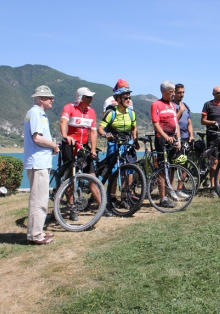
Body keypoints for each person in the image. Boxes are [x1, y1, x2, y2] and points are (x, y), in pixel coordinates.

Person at [59, 87, 108, 219]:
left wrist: (92, 150)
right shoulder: (69, 107)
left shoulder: (91, 112)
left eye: (91, 97)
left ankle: (102, 207)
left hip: (83, 147)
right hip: (69, 145)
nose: (91, 99)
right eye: (88, 97)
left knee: (92, 176)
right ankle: (72, 208)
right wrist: (65, 136)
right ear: (80, 98)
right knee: (71, 177)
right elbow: (63, 121)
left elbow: (93, 132)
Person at [24, 85, 60, 244]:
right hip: (37, 163)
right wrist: (53, 145)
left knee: (41, 198)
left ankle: (38, 231)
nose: (52, 100)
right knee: (38, 200)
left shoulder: (39, 114)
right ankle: (35, 235)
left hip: (40, 162)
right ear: (40, 99)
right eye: (48, 97)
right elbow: (37, 138)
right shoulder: (35, 113)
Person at [98, 82, 139, 209]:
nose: (128, 100)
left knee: (128, 169)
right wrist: (106, 135)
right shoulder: (112, 113)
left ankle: (125, 196)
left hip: (127, 143)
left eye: (129, 98)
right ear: (118, 99)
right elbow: (100, 128)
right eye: (125, 98)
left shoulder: (131, 113)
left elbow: (134, 127)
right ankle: (111, 198)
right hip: (114, 143)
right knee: (114, 171)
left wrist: (135, 140)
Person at [151, 80, 187, 208]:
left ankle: (169, 191)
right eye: (171, 91)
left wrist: (178, 139)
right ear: (163, 92)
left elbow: (175, 122)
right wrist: (165, 137)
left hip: (172, 138)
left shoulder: (172, 105)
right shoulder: (156, 104)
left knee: (171, 166)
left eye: (173, 91)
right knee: (162, 168)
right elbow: (155, 124)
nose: (173, 94)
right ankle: (162, 198)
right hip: (161, 138)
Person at [201, 86, 220, 195]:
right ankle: (212, 186)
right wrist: (214, 123)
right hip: (212, 136)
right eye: (219, 93)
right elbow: (203, 121)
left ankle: (218, 185)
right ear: (213, 93)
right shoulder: (208, 105)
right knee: (214, 162)